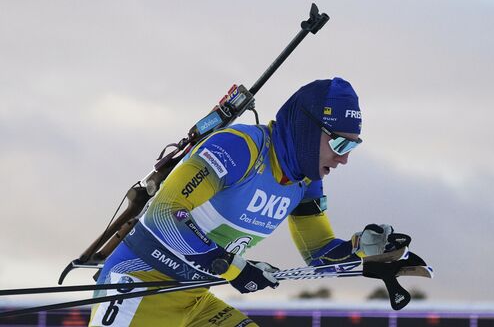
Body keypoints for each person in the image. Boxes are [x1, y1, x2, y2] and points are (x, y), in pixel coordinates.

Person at [89, 77, 394, 327]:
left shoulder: (305, 181)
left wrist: (367, 249)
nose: (344, 158)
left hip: (192, 299)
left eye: (352, 146)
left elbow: (320, 255)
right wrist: (236, 269)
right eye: (339, 143)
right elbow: (164, 216)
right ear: (309, 129)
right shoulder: (240, 148)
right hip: (139, 288)